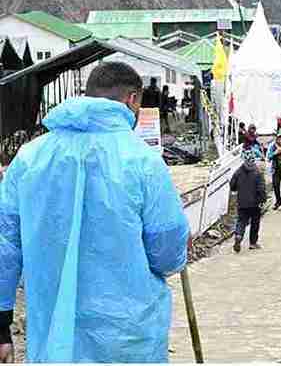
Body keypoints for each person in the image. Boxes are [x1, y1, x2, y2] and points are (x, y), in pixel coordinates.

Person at [0, 62, 189, 362]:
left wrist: (2, 324)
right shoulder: (143, 160)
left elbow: (5, 246)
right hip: (127, 336)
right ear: (132, 99)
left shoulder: (29, 158)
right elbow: (167, 251)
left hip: (53, 331)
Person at [230, 150, 266, 253]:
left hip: (242, 202)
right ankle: (253, 243)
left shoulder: (238, 171)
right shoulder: (258, 172)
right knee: (255, 223)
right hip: (255, 203)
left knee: (241, 221)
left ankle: (238, 235)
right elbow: (261, 188)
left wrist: (238, 189)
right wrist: (263, 200)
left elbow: (232, 186)